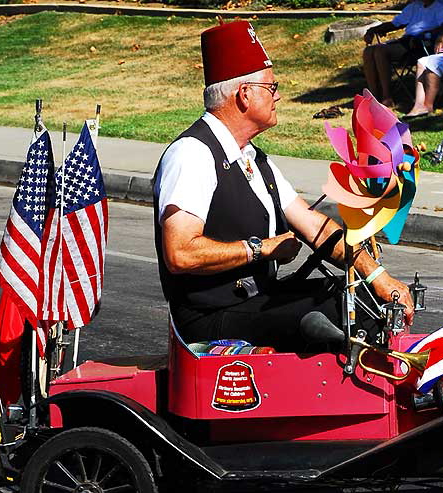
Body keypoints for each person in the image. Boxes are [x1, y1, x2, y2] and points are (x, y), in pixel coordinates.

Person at [153, 20, 414, 352]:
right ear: (244, 95)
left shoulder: (252, 157)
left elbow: (313, 225)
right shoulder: (192, 154)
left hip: (257, 301)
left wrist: (376, 275)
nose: (277, 95)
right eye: (271, 87)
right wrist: (262, 248)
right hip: (210, 317)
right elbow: (180, 252)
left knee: (359, 297)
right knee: (342, 313)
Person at [362, 0, 443, 108]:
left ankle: (386, 97)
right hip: (408, 41)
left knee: (380, 51)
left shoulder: (441, 6)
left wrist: (434, 34)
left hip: (425, 44)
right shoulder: (415, 6)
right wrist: (373, 30)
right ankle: (373, 96)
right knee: (368, 51)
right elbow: (395, 23)